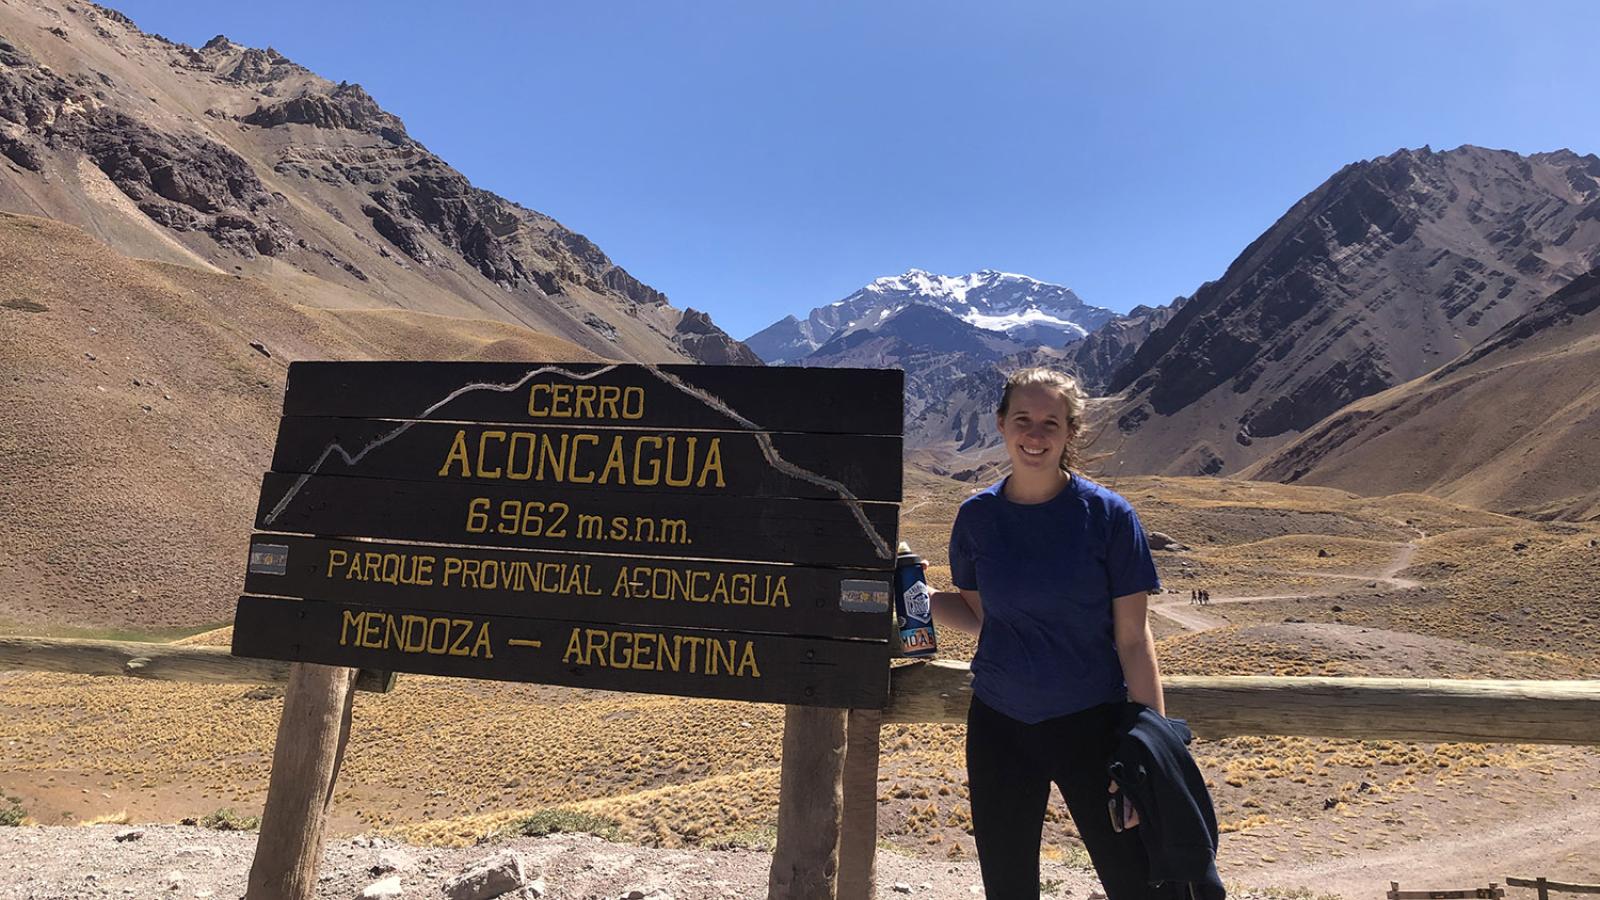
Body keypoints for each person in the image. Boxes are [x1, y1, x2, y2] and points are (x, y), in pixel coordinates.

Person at [931, 366, 1188, 900]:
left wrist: (1152, 750)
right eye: (1023, 418)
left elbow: (1135, 641)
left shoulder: (1109, 516)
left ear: (1072, 430)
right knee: (1007, 885)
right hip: (998, 725)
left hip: (1092, 725)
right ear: (1001, 424)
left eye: (1052, 421)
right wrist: (914, 603)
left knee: (1135, 883)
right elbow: (983, 617)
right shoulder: (976, 517)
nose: (1036, 434)